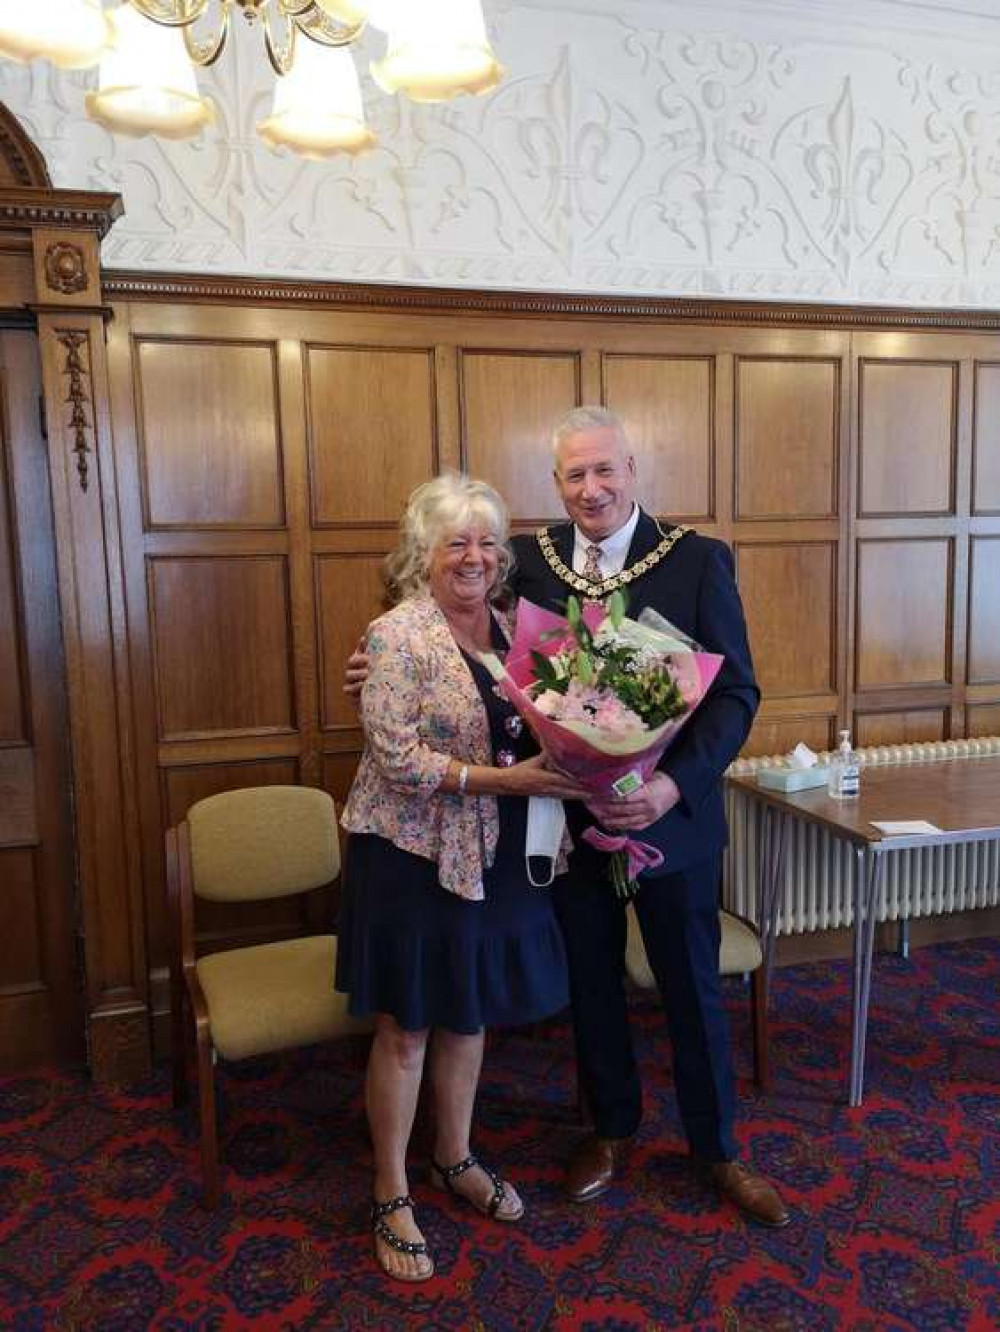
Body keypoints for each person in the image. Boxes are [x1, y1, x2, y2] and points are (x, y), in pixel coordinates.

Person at [345, 408, 789, 1229]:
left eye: (605, 470)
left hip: (671, 825)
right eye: (575, 475)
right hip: (566, 826)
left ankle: (717, 1148)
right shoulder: (536, 565)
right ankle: (610, 1129)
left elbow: (735, 695)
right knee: (592, 985)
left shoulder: (697, 561)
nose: (593, 489)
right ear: (557, 484)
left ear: (632, 468)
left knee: (690, 988)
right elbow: (464, 630)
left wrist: (671, 788)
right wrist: (377, 665)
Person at [336, 472, 585, 1284]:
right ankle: (391, 1189)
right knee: (407, 1025)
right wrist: (510, 784)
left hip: (491, 855)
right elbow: (397, 761)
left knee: (468, 1013)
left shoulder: (518, 627)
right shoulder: (396, 635)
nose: (473, 557)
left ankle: (454, 1156)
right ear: (424, 553)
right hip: (409, 855)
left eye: (486, 542)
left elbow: (559, 717)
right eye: (455, 543)